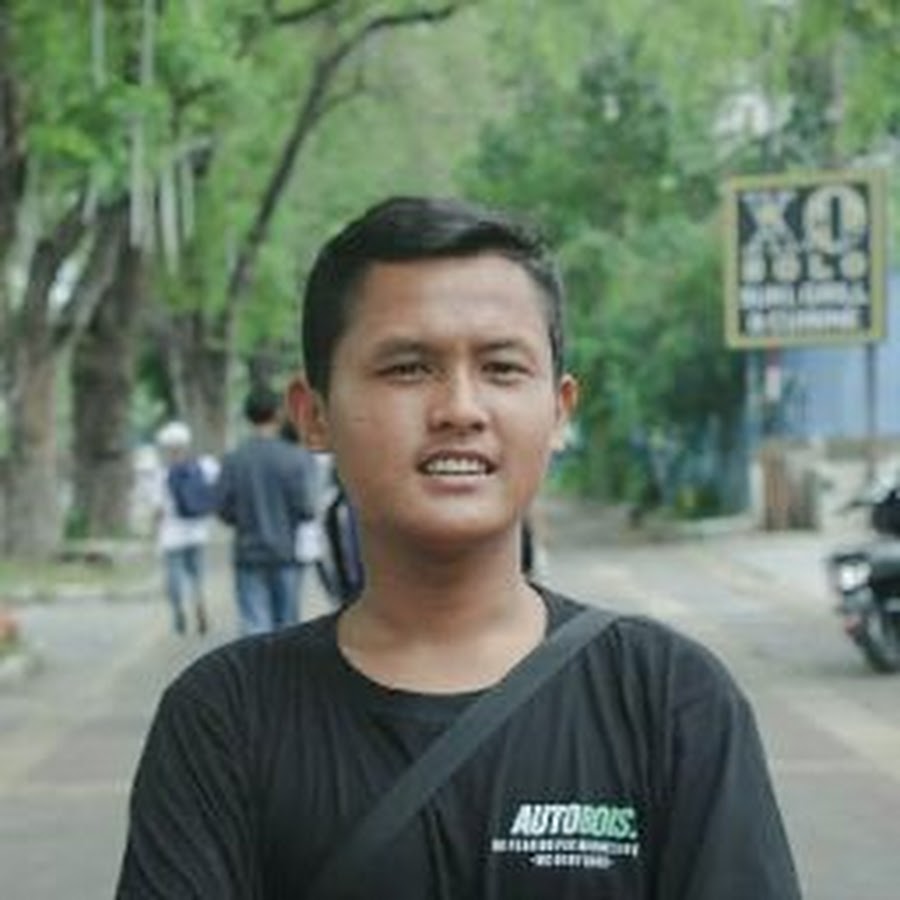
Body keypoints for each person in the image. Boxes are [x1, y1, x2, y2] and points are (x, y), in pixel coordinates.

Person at [117, 197, 802, 898]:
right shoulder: (223, 719)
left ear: (558, 411)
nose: (460, 410)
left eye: (502, 368)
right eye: (408, 368)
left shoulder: (667, 699)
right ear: (314, 415)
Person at [215, 384, 316, 634]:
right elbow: (307, 508)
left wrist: (243, 518)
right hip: (286, 552)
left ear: (248, 416)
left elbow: (222, 508)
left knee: (254, 628)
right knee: (288, 628)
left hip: (248, 552)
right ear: (278, 414)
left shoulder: (234, 459)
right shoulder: (295, 457)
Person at [152, 420, 218, 636]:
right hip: (197, 532)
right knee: (197, 575)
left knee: (174, 577)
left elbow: (158, 510)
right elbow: (212, 493)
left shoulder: (162, 474)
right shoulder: (204, 467)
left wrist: (155, 533)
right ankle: (199, 602)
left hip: (172, 535)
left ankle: (179, 611)